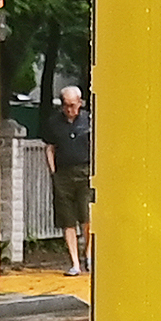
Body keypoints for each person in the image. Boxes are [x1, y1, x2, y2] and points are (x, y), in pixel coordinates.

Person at [48, 85, 93, 274]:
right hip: (63, 174)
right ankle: (75, 263)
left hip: (85, 172)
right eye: (66, 105)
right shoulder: (54, 122)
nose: (69, 109)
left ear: (80, 103)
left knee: (87, 216)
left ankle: (88, 253)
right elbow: (50, 147)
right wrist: (54, 172)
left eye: (73, 105)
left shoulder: (89, 121)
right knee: (67, 220)